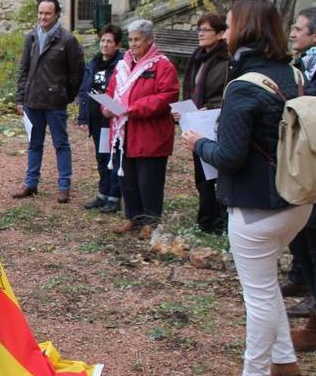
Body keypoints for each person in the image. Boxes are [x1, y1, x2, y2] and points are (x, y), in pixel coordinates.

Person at [183, 0, 311, 376]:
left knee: (257, 298)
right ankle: (286, 368)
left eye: (230, 24)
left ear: (245, 30)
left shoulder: (241, 87)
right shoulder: (295, 75)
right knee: (267, 289)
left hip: (256, 206)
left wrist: (199, 143)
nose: (225, 31)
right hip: (298, 198)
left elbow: (230, 157)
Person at [104, 20, 179, 240]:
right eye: (131, 39)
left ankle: (151, 220)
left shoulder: (162, 66)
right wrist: (106, 107)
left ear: (149, 40)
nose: (132, 43)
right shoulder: (123, 64)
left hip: (150, 133)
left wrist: (133, 109)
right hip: (124, 132)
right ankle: (133, 216)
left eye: (137, 39)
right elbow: (111, 90)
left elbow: (167, 96)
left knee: (149, 180)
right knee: (127, 178)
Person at [14, 0, 84, 203]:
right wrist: (20, 99)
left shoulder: (67, 40)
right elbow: (23, 69)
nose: (43, 17)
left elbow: (77, 72)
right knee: (34, 144)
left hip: (55, 103)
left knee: (61, 144)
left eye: (47, 13)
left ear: (56, 15)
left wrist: (66, 95)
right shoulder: (32, 38)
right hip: (32, 101)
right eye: (40, 13)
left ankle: (64, 186)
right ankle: (30, 183)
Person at [176, 13, 230, 235]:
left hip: (215, 122)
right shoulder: (197, 57)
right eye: (199, 29)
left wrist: (210, 106)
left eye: (206, 30)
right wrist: (183, 110)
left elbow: (228, 92)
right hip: (196, 121)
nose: (200, 33)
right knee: (201, 173)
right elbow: (190, 89)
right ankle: (206, 218)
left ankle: (219, 221)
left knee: (216, 173)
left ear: (219, 33)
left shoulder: (227, 61)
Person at [286, 6, 316, 345]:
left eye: (299, 28)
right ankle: (305, 284)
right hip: (300, 164)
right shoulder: (301, 67)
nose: (293, 33)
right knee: (303, 232)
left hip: (313, 161)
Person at [77, 23, 124, 213]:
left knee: (114, 158)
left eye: (109, 41)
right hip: (97, 118)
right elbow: (85, 90)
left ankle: (114, 196)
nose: (105, 44)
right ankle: (103, 193)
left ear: (117, 45)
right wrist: (83, 117)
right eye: (103, 40)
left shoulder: (121, 65)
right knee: (101, 157)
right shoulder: (94, 63)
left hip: (113, 119)